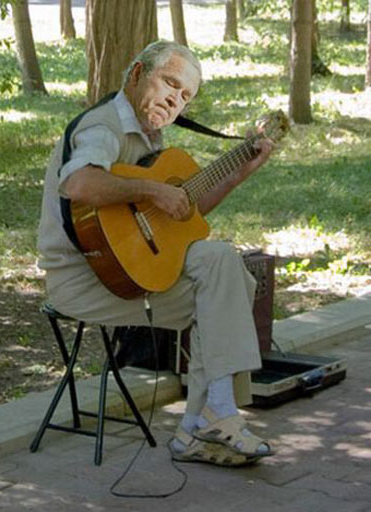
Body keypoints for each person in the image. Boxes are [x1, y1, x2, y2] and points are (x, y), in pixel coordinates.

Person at [37, 40, 275, 467]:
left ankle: (211, 417)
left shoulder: (150, 133)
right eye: (169, 83)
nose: (174, 100)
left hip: (127, 268)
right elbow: (78, 184)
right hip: (83, 278)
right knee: (223, 297)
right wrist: (151, 189)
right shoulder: (103, 126)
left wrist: (238, 174)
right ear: (136, 74)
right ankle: (202, 424)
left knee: (222, 263)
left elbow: (181, 213)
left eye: (184, 96)